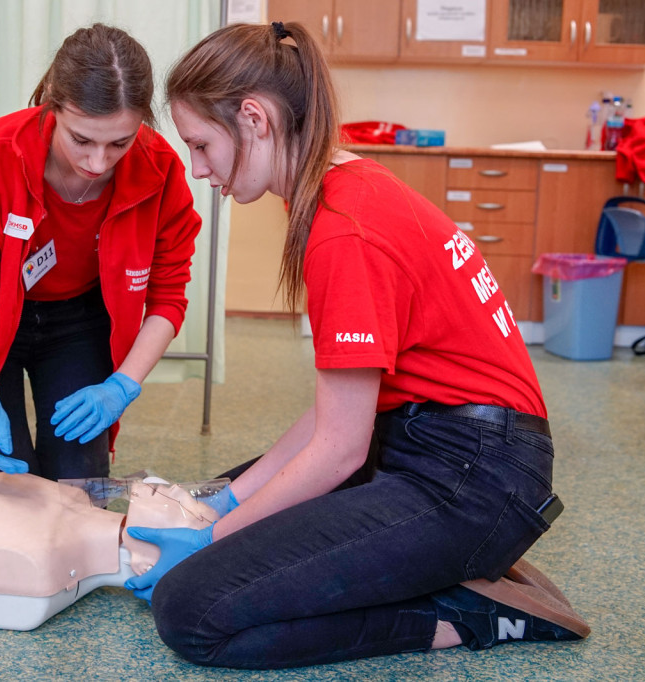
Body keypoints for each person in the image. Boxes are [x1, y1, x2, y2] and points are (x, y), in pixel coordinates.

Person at [122, 21, 591, 670]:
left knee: (192, 609)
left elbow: (339, 449)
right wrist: (226, 505)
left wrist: (210, 544)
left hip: (475, 479)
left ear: (253, 118)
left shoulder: (343, 229)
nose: (199, 170)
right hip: (434, 442)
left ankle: (468, 612)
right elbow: (339, 408)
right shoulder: (334, 190)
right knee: (232, 498)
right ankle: (422, 562)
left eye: (201, 145)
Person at [0, 24, 202, 481]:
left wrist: (121, 385)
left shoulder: (160, 172)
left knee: (77, 484)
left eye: (120, 142)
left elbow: (168, 298)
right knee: (3, 480)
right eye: (81, 139)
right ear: (54, 104)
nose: (98, 163)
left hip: (79, 319)